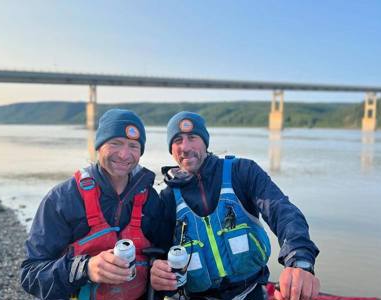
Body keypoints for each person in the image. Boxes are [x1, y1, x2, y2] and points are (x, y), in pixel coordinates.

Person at [150, 111, 320, 300]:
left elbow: (283, 212)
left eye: (192, 137)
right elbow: (160, 253)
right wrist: (157, 272)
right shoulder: (167, 198)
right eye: (177, 140)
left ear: (205, 141)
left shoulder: (242, 172)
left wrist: (300, 261)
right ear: (170, 149)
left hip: (251, 293)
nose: (185, 147)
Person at [21, 109, 172, 300]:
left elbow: (165, 252)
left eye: (133, 146)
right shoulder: (62, 199)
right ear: (98, 147)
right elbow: (30, 275)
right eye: (115, 143)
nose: (124, 154)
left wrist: (161, 273)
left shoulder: (149, 198)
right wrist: (85, 268)